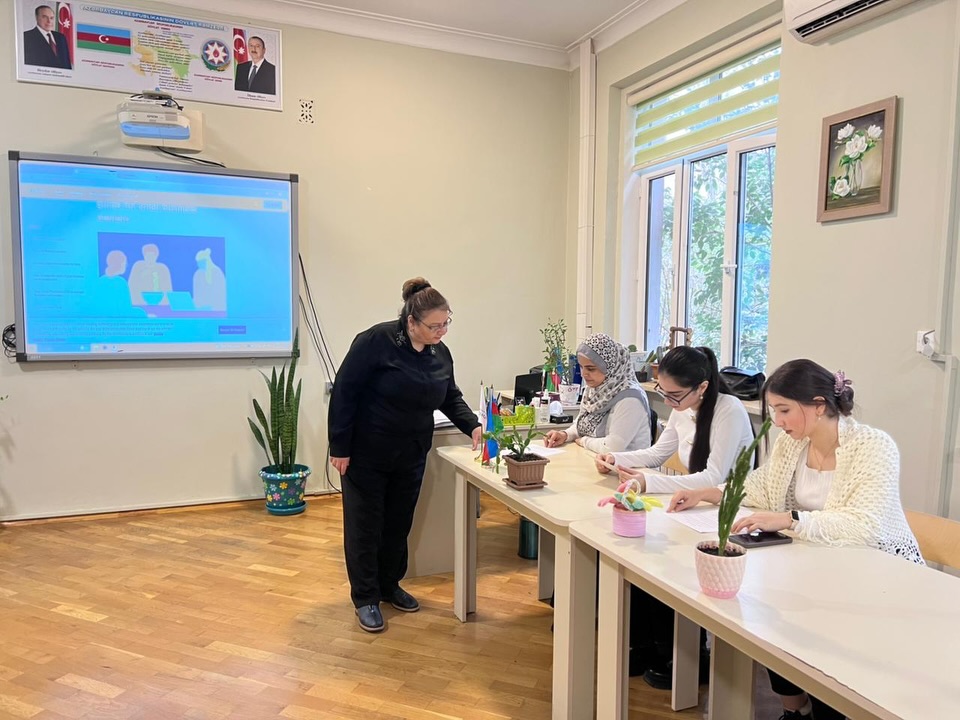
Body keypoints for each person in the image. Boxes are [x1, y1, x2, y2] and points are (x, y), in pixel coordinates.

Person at [668, 359, 923, 720]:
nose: (777, 421)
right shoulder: (792, 445)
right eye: (774, 410)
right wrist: (709, 493)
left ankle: (824, 708)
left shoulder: (873, 447)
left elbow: (864, 525)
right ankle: (795, 708)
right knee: (770, 616)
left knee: (823, 653)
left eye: (784, 410)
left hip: (874, 580)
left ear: (818, 406)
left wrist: (791, 519)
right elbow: (760, 487)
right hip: (815, 569)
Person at [328, 277, 482, 633]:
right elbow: (345, 393)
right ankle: (365, 597)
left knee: (398, 524)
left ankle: (389, 585)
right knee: (365, 526)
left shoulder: (439, 352)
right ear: (411, 321)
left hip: (411, 454)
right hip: (367, 454)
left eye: (446, 323)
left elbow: (450, 395)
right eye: (434, 326)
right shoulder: (375, 342)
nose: (442, 331)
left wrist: (472, 425)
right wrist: (340, 447)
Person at [595, 345, 754, 687]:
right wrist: (616, 459)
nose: (668, 402)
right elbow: (657, 453)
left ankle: (684, 654)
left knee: (668, 567)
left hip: (725, 512)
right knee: (643, 557)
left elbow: (714, 477)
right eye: (662, 393)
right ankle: (646, 645)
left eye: (675, 395)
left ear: (702, 387)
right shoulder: (683, 407)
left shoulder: (729, 411)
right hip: (692, 506)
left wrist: (647, 481)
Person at [543, 333, 651, 453]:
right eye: (581, 367)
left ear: (610, 367)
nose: (584, 374)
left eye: (591, 369)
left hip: (626, 464)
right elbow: (581, 426)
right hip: (595, 458)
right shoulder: (594, 388)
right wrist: (565, 435)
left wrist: (584, 441)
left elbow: (612, 447)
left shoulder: (630, 398)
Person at [23, 5, 71, 69]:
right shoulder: (26, 37)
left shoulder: (61, 37)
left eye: (51, 18)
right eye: (45, 17)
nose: (49, 21)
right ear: (36, 17)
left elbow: (67, 63)